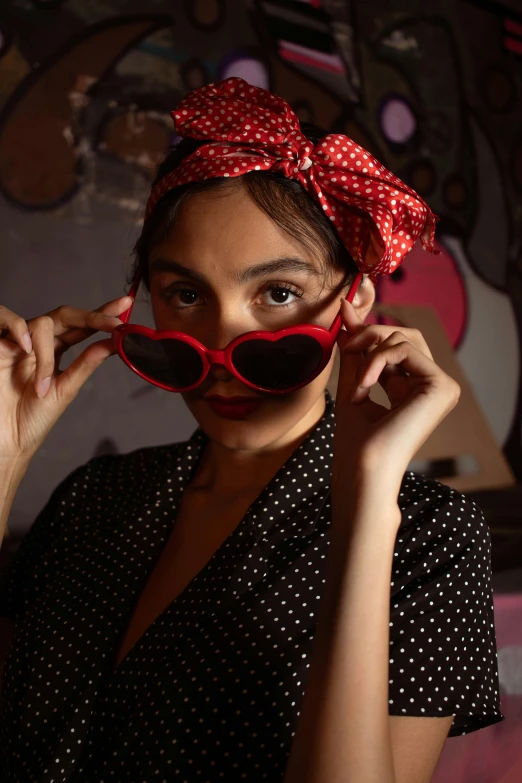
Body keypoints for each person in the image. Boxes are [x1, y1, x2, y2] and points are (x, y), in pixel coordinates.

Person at [0, 77, 504, 782]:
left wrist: (366, 503)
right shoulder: (94, 499)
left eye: (277, 293)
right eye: (185, 294)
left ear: (352, 298)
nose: (220, 351)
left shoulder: (429, 537)